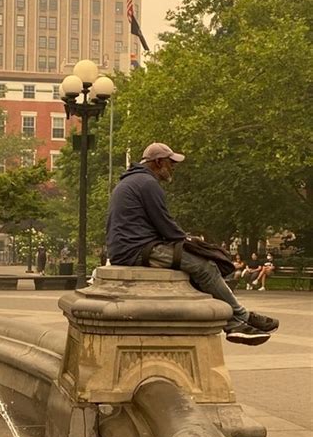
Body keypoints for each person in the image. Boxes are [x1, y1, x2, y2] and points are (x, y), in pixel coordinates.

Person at [106, 142, 279, 346]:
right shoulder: (147, 183)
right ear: (158, 162)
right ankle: (239, 319)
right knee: (205, 267)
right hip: (136, 250)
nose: (173, 168)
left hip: (128, 247)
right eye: (171, 163)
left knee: (198, 264)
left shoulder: (132, 181)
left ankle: (236, 319)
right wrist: (189, 241)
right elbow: (165, 225)